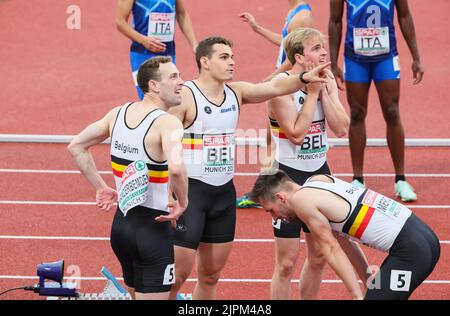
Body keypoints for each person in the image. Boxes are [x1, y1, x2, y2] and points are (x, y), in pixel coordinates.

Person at [167, 36, 330, 300]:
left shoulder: (237, 92)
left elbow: (274, 88)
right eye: (224, 57)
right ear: (204, 61)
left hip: (223, 195)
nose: (231, 62)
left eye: (232, 57)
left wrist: (303, 79)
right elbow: (163, 147)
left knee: (210, 276)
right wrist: (167, 193)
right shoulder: (186, 96)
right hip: (191, 194)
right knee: (175, 278)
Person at [68, 56, 189, 300]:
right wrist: (183, 203)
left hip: (122, 227)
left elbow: (76, 146)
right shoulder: (168, 123)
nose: (182, 82)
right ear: (154, 86)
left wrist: (101, 187)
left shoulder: (118, 114)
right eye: (174, 77)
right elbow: (176, 169)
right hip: (153, 230)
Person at [266, 28, 369, 300]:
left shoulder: (327, 79)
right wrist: (312, 94)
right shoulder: (280, 87)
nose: (324, 52)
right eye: (316, 48)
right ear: (299, 57)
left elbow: (341, 127)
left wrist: (324, 92)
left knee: (321, 254)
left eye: (323, 47)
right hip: (287, 177)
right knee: (287, 262)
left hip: (320, 175)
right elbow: (297, 135)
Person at [250, 169, 440, 299]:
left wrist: (356, 295)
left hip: (411, 252)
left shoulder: (302, 201)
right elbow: (345, 244)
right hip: (425, 239)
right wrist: (366, 281)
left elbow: (331, 249)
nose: (275, 218)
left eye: (271, 210)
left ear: (280, 198)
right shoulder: (319, 180)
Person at [328, 0, 424, 201]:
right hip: (354, 58)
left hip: (386, 57)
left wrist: (416, 57)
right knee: (357, 113)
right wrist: (334, 62)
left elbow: (404, 15)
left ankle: (400, 180)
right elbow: (335, 20)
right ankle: (357, 180)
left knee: (392, 112)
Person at [236, 1, 314, 209]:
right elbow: (286, 44)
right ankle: (265, 190)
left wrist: (272, 80)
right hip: (284, 83)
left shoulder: (302, 16)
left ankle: (268, 192)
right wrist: (257, 28)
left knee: (278, 140)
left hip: (288, 84)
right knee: (272, 140)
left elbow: (295, 57)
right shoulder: (295, 12)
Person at [116, 0, 198, 99]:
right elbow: (120, 22)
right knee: (150, 97)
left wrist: (194, 45)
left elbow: (181, 14)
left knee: (170, 96)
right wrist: (143, 40)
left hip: (168, 52)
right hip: (142, 54)